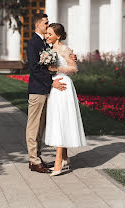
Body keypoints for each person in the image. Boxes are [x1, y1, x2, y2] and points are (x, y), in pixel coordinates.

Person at [26, 13, 76, 173]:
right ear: (38, 24)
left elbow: (58, 55)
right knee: (34, 126)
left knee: (41, 127)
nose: (48, 26)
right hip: (38, 90)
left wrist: (72, 57)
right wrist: (51, 82)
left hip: (48, 91)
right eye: (46, 24)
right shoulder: (34, 43)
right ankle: (33, 160)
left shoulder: (45, 42)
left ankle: (37, 158)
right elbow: (34, 69)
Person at [44, 23, 87, 176]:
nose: (47, 36)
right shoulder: (48, 50)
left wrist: (56, 69)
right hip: (54, 87)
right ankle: (65, 159)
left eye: (50, 34)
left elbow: (73, 68)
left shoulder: (65, 49)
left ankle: (58, 163)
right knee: (58, 119)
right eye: (47, 33)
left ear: (58, 36)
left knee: (62, 120)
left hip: (63, 85)